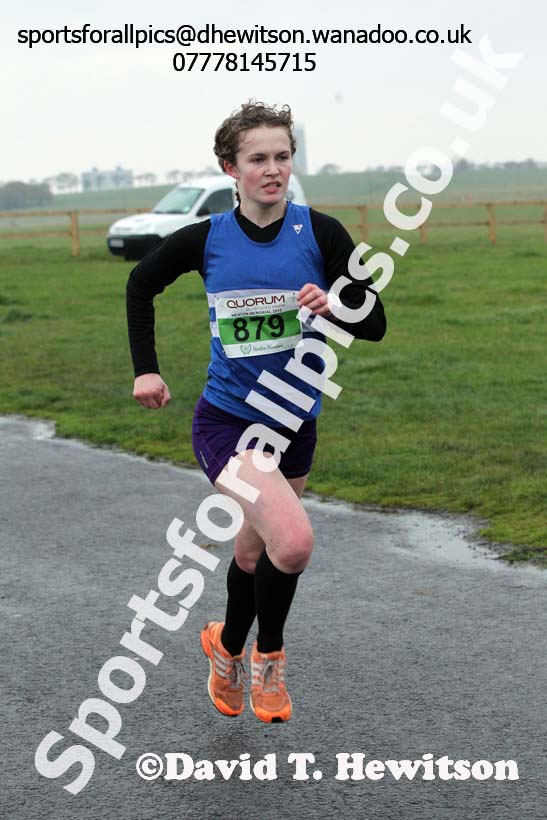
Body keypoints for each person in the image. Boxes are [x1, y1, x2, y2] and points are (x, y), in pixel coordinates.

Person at [126, 101, 386, 723]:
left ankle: (224, 646)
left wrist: (337, 306)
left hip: (294, 423)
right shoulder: (208, 238)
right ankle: (268, 660)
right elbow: (141, 282)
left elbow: (374, 323)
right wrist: (146, 367)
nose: (274, 169)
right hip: (228, 424)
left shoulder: (320, 234)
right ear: (230, 168)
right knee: (292, 543)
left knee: (251, 555)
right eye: (258, 159)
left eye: (283, 156)